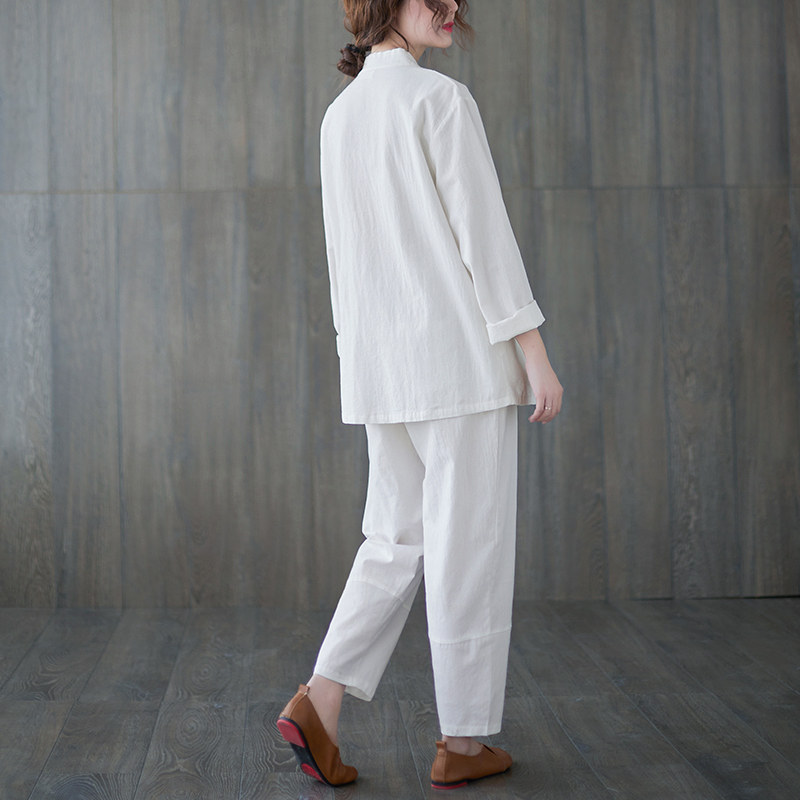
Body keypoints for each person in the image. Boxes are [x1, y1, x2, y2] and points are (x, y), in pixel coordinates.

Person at [277, 0, 563, 790]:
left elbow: (348, 263)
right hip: (461, 368)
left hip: (385, 373)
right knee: (469, 546)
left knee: (393, 538)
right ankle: (462, 741)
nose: (452, 8)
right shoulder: (440, 100)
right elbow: (486, 241)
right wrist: (535, 356)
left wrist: (360, 368)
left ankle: (320, 700)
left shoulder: (339, 118)